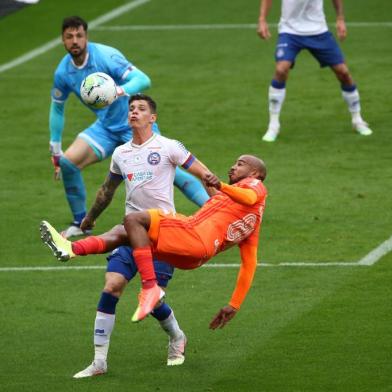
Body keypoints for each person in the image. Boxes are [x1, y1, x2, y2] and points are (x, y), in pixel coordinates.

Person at [43, 94, 213, 378]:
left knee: (153, 300)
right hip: (131, 235)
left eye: (141, 109)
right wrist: (89, 218)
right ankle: (99, 362)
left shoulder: (168, 146)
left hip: (163, 235)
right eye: (131, 108)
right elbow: (107, 190)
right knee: (111, 286)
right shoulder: (121, 153)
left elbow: (205, 175)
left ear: (153, 118)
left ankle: (176, 337)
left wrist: (221, 208)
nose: (134, 112)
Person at [40, 154, 268, 329]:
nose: (233, 166)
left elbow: (248, 195)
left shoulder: (254, 187)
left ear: (255, 173)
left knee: (134, 219)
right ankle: (71, 248)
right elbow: (250, 264)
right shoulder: (250, 221)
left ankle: (150, 288)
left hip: (191, 235)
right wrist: (234, 304)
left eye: (240, 164)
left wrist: (221, 185)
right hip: (194, 256)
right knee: (125, 233)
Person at [50, 16, 209, 237]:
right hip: (105, 127)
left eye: (79, 36)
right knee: (68, 163)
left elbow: (143, 79)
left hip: (134, 126)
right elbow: (57, 108)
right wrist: (55, 148)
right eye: (70, 37)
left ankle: (214, 211)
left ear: (86, 37)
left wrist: (119, 91)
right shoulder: (63, 72)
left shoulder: (106, 56)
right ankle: (80, 223)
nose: (75, 41)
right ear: (63, 40)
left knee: (174, 175)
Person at [257, 0, 373, 142]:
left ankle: (357, 119)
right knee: (281, 70)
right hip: (290, 31)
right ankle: (273, 125)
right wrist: (262, 19)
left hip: (318, 31)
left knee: (343, 72)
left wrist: (340, 18)